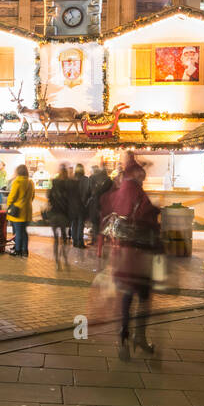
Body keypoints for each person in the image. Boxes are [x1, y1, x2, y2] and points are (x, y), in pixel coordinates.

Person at [99, 152, 163, 360]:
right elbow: (146, 216)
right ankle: (140, 336)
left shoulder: (120, 191)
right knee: (144, 296)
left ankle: (123, 340)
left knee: (126, 297)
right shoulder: (137, 192)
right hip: (139, 255)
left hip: (121, 256)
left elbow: (109, 209)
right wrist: (156, 210)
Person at [46, 164, 74, 268]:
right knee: (64, 238)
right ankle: (65, 259)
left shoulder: (53, 184)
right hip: (63, 215)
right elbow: (70, 201)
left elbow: (49, 198)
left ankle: (57, 261)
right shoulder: (68, 185)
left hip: (54, 214)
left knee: (56, 239)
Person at [5, 165, 34, 257]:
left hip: (18, 211)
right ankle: (25, 251)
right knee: (24, 231)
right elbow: (32, 196)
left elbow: (12, 196)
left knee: (18, 232)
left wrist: (9, 204)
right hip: (27, 210)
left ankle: (17, 250)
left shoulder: (17, 182)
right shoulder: (31, 182)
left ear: (18, 172)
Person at [86, 164, 114, 249]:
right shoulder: (109, 180)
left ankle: (95, 241)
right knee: (104, 223)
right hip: (105, 204)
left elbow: (88, 191)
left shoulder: (92, 178)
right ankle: (103, 241)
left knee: (95, 224)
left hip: (94, 204)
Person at [70, 164, 89, 248]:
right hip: (82, 205)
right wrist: (84, 202)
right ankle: (80, 242)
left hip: (73, 205)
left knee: (74, 223)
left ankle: (74, 241)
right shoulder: (86, 179)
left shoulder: (72, 179)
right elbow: (87, 192)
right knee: (81, 223)